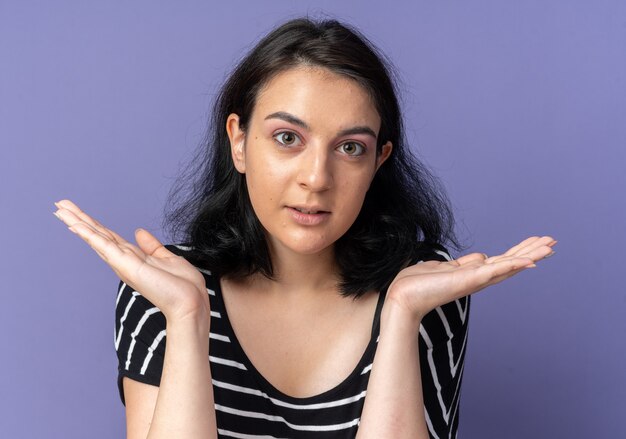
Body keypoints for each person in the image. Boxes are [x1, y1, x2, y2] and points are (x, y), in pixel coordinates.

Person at [53, 17, 556, 439]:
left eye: (350, 147)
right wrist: (186, 319)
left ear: (379, 161)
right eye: (288, 137)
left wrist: (401, 317)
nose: (317, 178)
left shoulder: (423, 290)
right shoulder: (163, 290)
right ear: (239, 141)